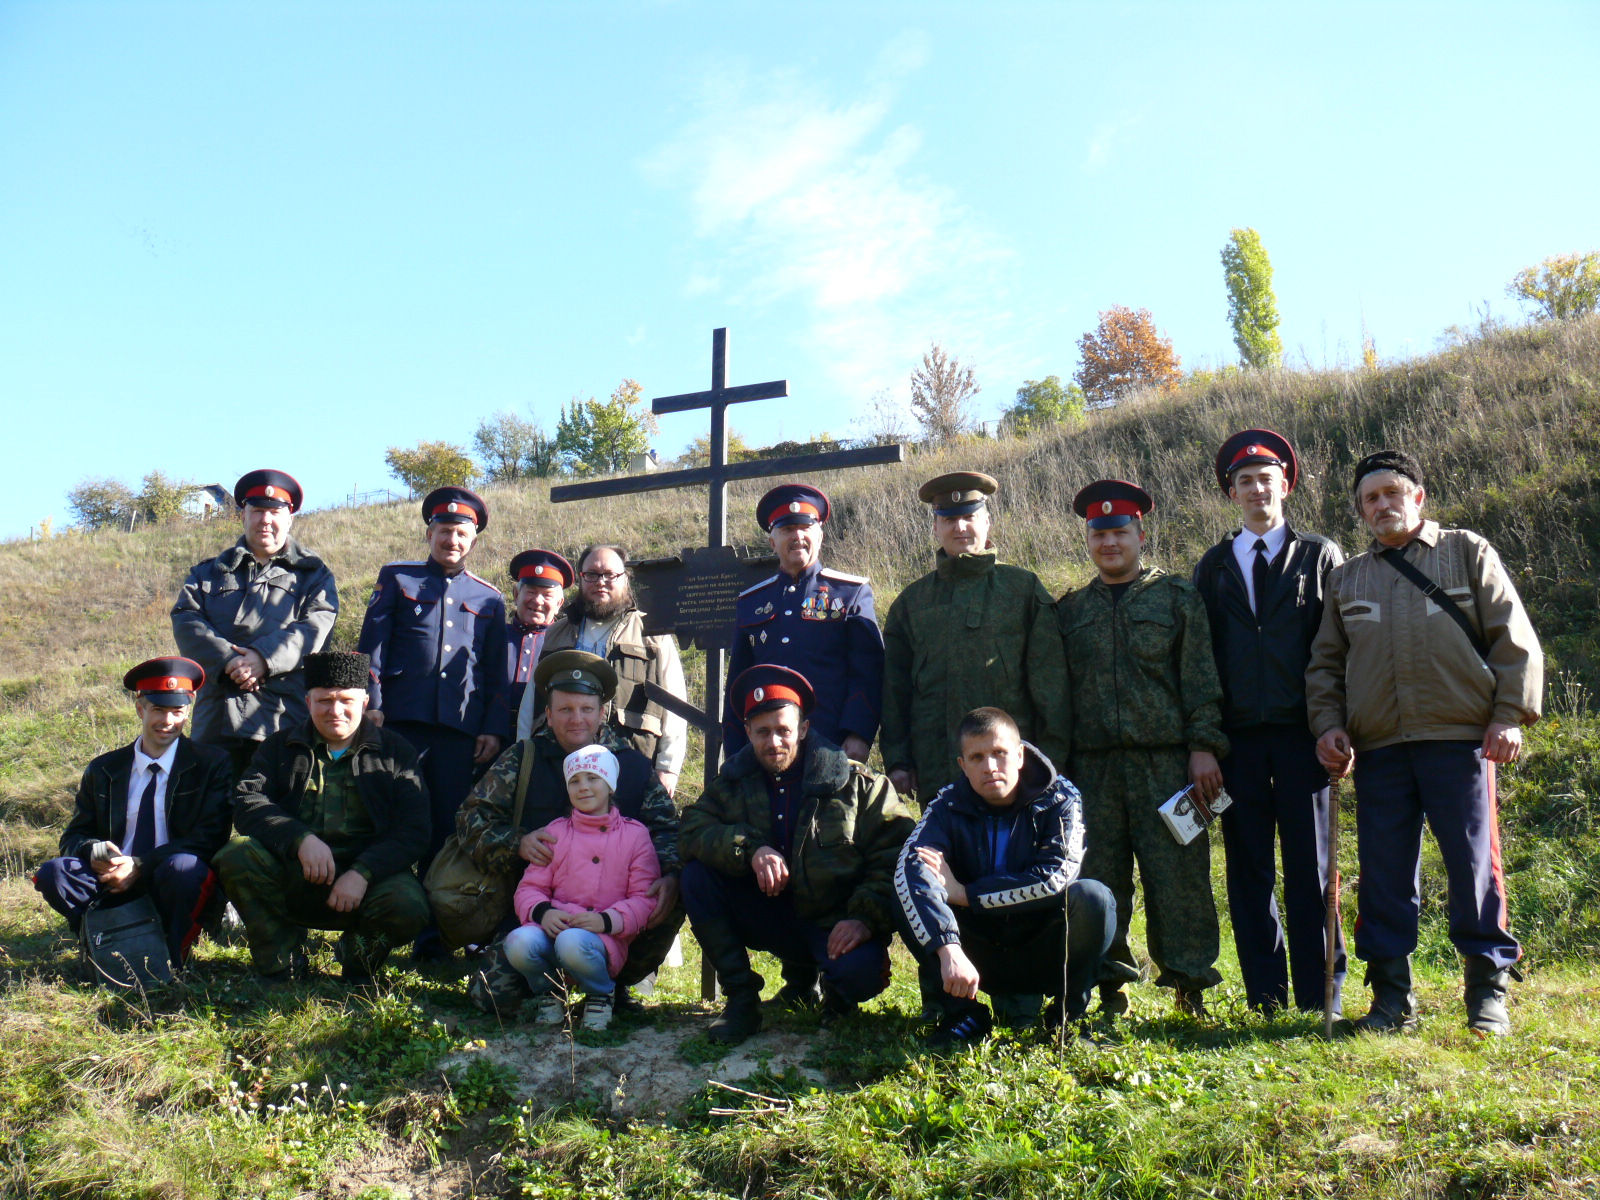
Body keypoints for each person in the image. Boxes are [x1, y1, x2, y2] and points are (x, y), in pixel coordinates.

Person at [1306, 449, 1541, 1036]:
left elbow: (1515, 639)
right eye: (1369, 499)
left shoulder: (1466, 551)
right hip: (1380, 749)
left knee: (1473, 869)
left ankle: (1487, 992)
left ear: (1418, 497)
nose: (1382, 505)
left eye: (1392, 493)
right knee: (1384, 873)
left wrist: (1508, 715)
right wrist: (1328, 725)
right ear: (1361, 511)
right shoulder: (1347, 578)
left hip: (1461, 743)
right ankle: (1390, 1000)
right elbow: (1325, 666)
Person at [1058, 480, 1229, 1018]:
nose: (1110, 542)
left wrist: (1204, 748)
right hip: (1094, 769)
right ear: (1089, 540)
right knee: (1098, 877)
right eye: (1099, 533)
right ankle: (1110, 985)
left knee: (1179, 879)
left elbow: (1202, 680)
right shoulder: (1070, 610)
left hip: (1169, 765)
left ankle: (1189, 985)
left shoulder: (1178, 599)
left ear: (1140, 534)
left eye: (1120, 532)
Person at [1191, 430, 1347, 1015]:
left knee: (1313, 870)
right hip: (1237, 747)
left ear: (1286, 484)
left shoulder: (1319, 556)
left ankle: (1320, 993)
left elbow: (1339, 647)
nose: (1257, 489)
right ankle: (1266, 997)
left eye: (1266, 478)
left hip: (1303, 738)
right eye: (1244, 482)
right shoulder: (1213, 566)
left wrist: (1338, 723)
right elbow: (1201, 660)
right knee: (1249, 873)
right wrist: (1205, 743)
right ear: (1231, 493)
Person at [680, 665, 916, 1044]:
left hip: (835, 922)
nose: (774, 742)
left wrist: (864, 919)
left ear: (803, 729)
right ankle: (741, 999)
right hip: (771, 915)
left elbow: (897, 854)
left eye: (783, 730)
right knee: (696, 877)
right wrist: (750, 849)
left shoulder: (858, 784)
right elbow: (691, 830)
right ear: (748, 734)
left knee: (860, 975)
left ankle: (837, 998)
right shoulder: (733, 782)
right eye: (763, 732)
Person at [460, 650, 683, 1015]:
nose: (576, 719)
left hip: (614, 915)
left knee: (677, 886)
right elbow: (470, 819)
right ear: (548, 714)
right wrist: (517, 843)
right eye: (565, 710)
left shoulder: (633, 766)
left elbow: (667, 830)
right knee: (493, 998)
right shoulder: (522, 759)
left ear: (601, 712)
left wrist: (671, 875)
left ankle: (621, 983)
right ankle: (550, 990)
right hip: (538, 909)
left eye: (586, 709)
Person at [895, 707, 1116, 1050]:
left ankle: (1068, 1017)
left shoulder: (1061, 798)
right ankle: (964, 1015)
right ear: (963, 765)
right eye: (977, 757)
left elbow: (1054, 878)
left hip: (1043, 946)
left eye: (999, 753)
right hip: (977, 955)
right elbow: (910, 870)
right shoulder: (946, 805)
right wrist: (948, 946)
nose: (990, 767)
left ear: (1020, 755)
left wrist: (966, 894)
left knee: (1094, 897)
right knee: (908, 891)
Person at [215, 651, 432, 984]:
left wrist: (363, 872)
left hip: (368, 883)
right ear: (307, 701)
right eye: (324, 701)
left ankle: (358, 962)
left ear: (364, 701)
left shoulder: (395, 751)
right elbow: (247, 800)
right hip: (295, 874)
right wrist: (299, 839)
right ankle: (282, 962)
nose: (335, 711)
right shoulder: (279, 746)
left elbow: (415, 829)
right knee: (237, 855)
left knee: (408, 905)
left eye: (346, 700)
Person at [357, 485, 510, 958]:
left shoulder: (488, 599)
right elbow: (373, 646)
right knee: (391, 819)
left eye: (462, 533)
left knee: (446, 828)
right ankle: (374, 933)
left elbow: (494, 673)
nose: (452, 540)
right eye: (444, 531)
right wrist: (374, 701)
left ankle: (432, 941)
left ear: (473, 541)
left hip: (457, 732)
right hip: (398, 721)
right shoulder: (397, 579)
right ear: (430, 533)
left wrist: (491, 728)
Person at [881, 472, 1071, 804]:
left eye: (969, 517)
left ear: (986, 521)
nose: (960, 528)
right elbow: (894, 690)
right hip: (938, 767)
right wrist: (898, 761)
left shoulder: (1022, 589)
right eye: (949, 519)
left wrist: (1051, 759)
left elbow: (1050, 683)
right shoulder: (911, 603)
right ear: (936, 528)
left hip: (1013, 771)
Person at [33, 657, 231, 967]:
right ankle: (102, 944)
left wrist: (140, 865)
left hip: (171, 878)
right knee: (54, 873)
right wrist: (93, 849)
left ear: (187, 712)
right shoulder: (104, 769)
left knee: (184, 867)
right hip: (111, 878)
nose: (167, 722)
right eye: (158, 710)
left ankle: (171, 955)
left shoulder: (211, 764)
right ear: (140, 709)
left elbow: (210, 837)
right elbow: (74, 835)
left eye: (177, 712)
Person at [172, 469, 339, 779]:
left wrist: (264, 659)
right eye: (258, 511)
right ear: (243, 516)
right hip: (217, 714)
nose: (266, 520)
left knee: (275, 816)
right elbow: (185, 619)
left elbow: (316, 627)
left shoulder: (313, 575)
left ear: (289, 519)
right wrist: (229, 660)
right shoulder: (209, 572)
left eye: (275, 512)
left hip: (280, 715)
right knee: (208, 815)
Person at [502, 744, 661, 1031]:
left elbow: (644, 898)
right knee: (518, 943)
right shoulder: (555, 832)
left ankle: (601, 993)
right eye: (575, 781)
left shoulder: (635, 835)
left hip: (602, 938)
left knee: (572, 943)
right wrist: (543, 913)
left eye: (593, 778)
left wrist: (605, 921)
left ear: (610, 785)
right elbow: (529, 889)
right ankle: (550, 993)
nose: (583, 787)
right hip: (555, 929)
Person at [724, 483, 884, 763]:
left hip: (831, 743)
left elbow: (868, 672)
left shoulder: (850, 592)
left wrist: (858, 734)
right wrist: (737, 748)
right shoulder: (751, 601)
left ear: (820, 535)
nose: (797, 536)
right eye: (786, 530)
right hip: (767, 749)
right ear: (772, 541)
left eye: (805, 527)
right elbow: (738, 682)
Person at [526, 545, 688, 795]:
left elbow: (675, 706)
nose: (600, 582)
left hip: (631, 769)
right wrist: (524, 758)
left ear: (625, 578)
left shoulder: (653, 633)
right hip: (558, 769)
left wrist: (668, 769)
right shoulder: (555, 633)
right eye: (591, 574)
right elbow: (531, 703)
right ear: (581, 579)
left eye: (610, 575)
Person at [508, 549, 575, 739]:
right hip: (489, 741)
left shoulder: (567, 645)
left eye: (547, 595)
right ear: (516, 594)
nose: (537, 601)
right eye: (531, 592)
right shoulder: (494, 636)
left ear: (559, 603)